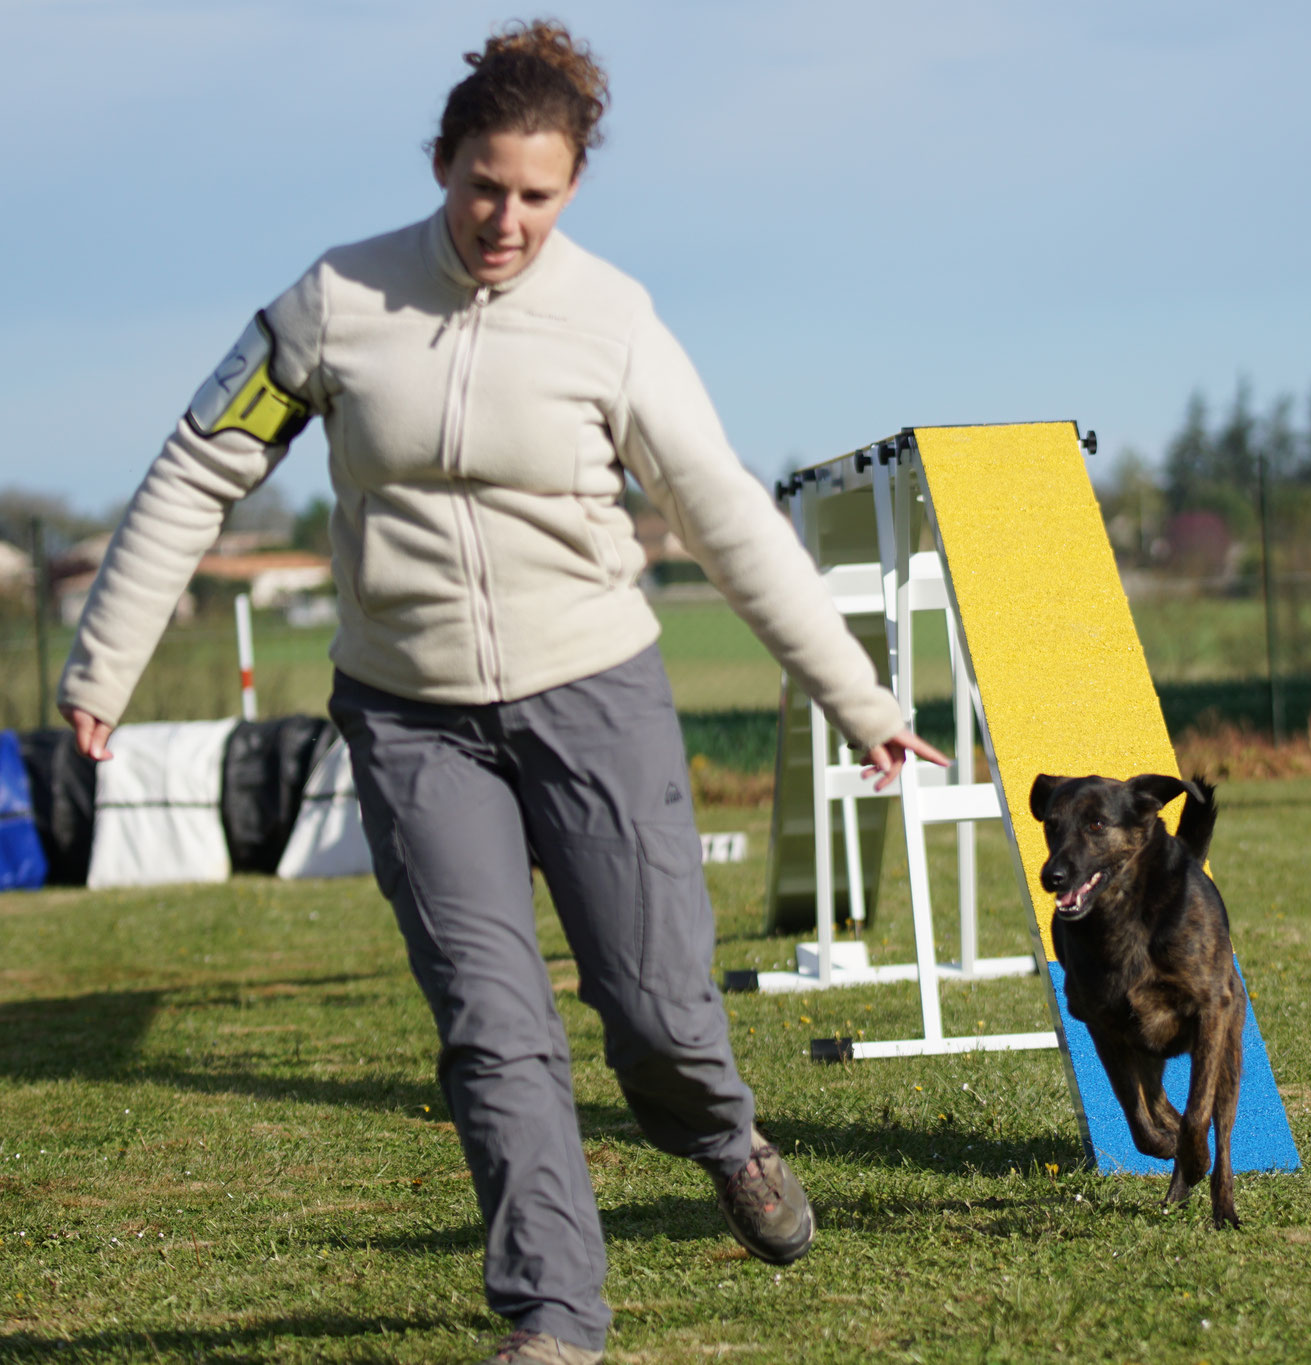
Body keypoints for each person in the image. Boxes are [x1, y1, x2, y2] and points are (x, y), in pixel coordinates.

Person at [56, 21, 945, 1365]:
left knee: (655, 1007)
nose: (504, 221)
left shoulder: (614, 324)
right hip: (410, 717)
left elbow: (727, 523)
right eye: (483, 186)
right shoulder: (336, 303)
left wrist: (861, 700)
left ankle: (721, 1132)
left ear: (573, 188)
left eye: (535, 195)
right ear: (443, 163)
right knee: (490, 1017)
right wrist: (103, 665)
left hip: (592, 689)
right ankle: (554, 1316)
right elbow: (198, 465)